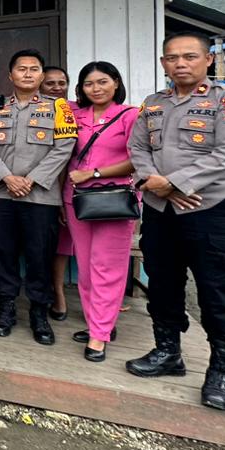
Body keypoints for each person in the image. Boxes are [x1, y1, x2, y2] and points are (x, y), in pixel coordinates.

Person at [126, 32, 225, 411]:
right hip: (160, 211)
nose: (180, 64)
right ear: (163, 63)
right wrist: (156, 184)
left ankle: (221, 371)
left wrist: (175, 183)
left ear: (208, 59)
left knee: (215, 290)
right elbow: (137, 148)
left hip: (209, 210)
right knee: (163, 284)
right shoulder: (153, 103)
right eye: (172, 58)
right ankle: (168, 352)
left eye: (189, 56)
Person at [0, 49, 78, 343]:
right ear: (10, 75)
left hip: (40, 197)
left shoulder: (59, 108)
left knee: (40, 256)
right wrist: (7, 178)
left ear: (41, 75)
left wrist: (32, 180)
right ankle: (6, 309)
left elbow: (65, 147)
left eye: (34, 69)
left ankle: (39, 313)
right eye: (21, 68)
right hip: (2, 195)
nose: (27, 73)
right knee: (3, 254)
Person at [62, 62, 138, 362]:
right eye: (89, 83)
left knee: (107, 268)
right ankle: (99, 323)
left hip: (113, 200)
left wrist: (93, 173)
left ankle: (99, 334)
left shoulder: (130, 115)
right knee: (86, 267)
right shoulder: (74, 115)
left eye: (103, 81)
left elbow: (138, 159)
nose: (96, 88)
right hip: (77, 200)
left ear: (116, 83)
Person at [42, 66, 74, 321]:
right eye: (50, 83)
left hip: (79, 187)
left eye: (61, 82)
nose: (56, 87)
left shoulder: (74, 111)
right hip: (48, 188)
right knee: (53, 245)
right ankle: (57, 293)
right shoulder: (39, 109)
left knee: (69, 246)